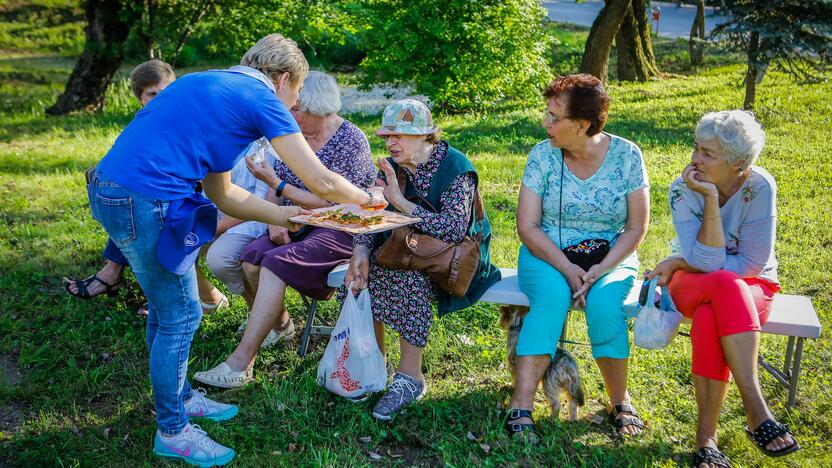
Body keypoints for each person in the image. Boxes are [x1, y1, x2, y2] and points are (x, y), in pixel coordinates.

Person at [87, 34, 386, 467]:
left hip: (116, 190)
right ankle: (172, 430)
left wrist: (284, 217)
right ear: (283, 80)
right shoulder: (260, 96)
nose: (293, 105)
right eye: (297, 94)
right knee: (182, 313)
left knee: (166, 306)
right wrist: (367, 200)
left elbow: (224, 195)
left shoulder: (213, 87)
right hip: (142, 198)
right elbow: (320, 180)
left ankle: (182, 397)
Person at [194, 71, 376, 388]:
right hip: (296, 222)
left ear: (317, 109)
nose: (288, 113)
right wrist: (273, 217)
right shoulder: (295, 137)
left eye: (295, 109)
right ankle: (281, 326)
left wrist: (279, 188)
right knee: (251, 259)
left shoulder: (351, 139)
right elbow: (275, 188)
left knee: (275, 263)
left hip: (340, 230)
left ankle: (241, 363)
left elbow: (331, 202)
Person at [646, 110, 799, 467]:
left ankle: (706, 443)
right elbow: (709, 263)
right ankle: (755, 408)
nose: (695, 159)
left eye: (707, 153)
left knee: (711, 314)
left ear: (738, 164)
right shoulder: (683, 188)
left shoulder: (760, 186)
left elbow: (750, 264)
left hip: (750, 287)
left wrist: (684, 261)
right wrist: (710, 201)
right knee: (723, 286)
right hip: (693, 286)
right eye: (696, 148)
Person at [507, 74, 650, 440]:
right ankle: (520, 406)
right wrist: (569, 269)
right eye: (547, 113)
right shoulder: (542, 155)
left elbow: (635, 228)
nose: (546, 123)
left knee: (606, 306)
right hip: (547, 254)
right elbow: (528, 227)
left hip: (611, 256)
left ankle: (620, 401)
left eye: (555, 117)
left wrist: (601, 268)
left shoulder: (627, 155)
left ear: (583, 125)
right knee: (551, 301)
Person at [343, 99, 500, 419]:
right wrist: (360, 250)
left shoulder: (455, 167)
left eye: (399, 136)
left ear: (426, 136)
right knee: (364, 275)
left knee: (410, 279)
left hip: (451, 258)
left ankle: (409, 378)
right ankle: (376, 366)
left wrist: (401, 203)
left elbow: (453, 228)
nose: (391, 143)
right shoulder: (391, 166)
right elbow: (372, 214)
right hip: (403, 249)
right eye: (387, 137)